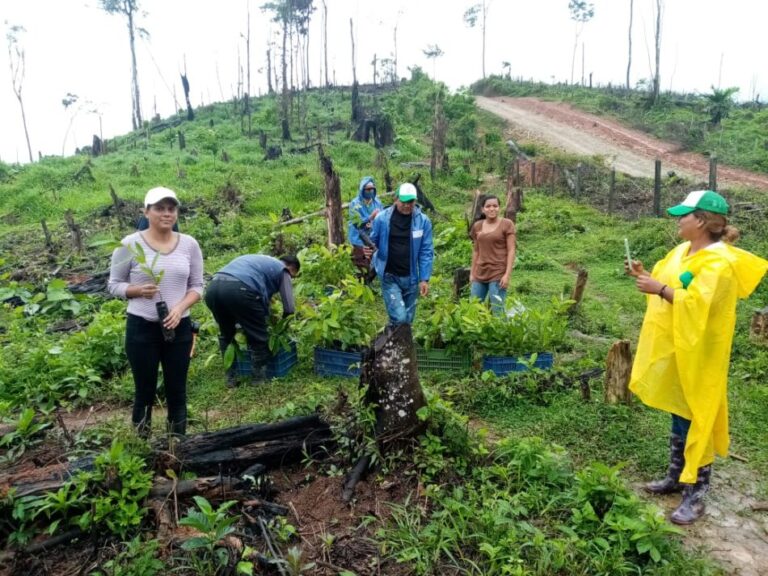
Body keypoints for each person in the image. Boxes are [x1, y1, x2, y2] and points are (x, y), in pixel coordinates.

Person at [626, 190, 768, 525]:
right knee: (680, 411)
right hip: (678, 347)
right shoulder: (682, 250)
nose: (679, 220)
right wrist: (645, 275)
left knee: (697, 414)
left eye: (685, 215)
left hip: (702, 351)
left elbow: (699, 304)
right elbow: (666, 281)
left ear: (701, 221)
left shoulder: (719, 262)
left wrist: (659, 290)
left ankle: (697, 491)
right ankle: (677, 475)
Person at [108, 187, 204, 438]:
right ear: (146, 211)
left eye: (171, 209)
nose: (166, 213)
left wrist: (180, 308)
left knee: (177, 390)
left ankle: (178, 446)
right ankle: (141, 447)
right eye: (159, 208)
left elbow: (197, 286)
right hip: (142, 328)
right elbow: (113, 284)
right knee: (145, 390)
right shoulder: (129, 244)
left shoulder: (189, 244)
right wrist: (137, 290)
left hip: (178, 327)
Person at [205, 254, 300, 387]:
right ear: (291, 269)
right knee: (258, 337)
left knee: (227, 335)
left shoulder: (260, 262)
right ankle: (258, 380)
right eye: (293, 276)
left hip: (213, 288)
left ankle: (230, 379)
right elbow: (289, 308)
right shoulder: (283, 270)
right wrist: (281, 326)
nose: (291, 279)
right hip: (240, 290)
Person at [366, 182, 434, 326]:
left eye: (411, 201)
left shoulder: (423, 222)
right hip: (389, 275)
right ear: (396, 199)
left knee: (407, 320)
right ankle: (392, 343)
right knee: (400, 317)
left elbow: (426, 251)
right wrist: (369, 250)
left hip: (411, 278)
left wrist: (424, 279)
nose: (407, 205)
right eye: (404, 201)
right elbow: (373, 241)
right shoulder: (382, 219)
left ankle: (395, 344)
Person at [469, 194, 516, 315]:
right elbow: (476, 251)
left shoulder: (507, 224)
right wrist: (472, 273)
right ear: (482, 209)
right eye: (488, 206)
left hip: (498, 274)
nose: (491, 209)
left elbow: (511, 250)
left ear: (499, 208)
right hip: (480, 273)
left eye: (495, 206)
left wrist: (507, 275)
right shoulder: (477, 226)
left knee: (497, 311)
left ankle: (501, 334)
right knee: (473, 310)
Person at [348, 176, 383, 282]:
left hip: (372, 238)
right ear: (362, 190)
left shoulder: (377, 202)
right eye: (368, 189)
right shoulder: (355, 204)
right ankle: (360, 286)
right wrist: (370, 217)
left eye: (372, 189)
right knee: (360, 263)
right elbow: (356, 224)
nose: (370, 191)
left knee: (374, 262)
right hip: (358, 239)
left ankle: (368, 283)